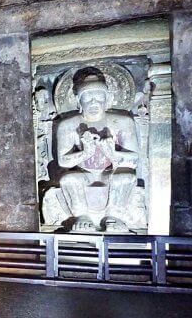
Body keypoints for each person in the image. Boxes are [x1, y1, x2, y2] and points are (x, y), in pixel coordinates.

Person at [55, 73, 139, 231]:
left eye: (99, 96)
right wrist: (85, 153)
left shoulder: (122, 122)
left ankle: (114, 216)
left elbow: (134, 158)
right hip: (84, 172)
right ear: (78, 101)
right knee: (70, 179)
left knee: (126, 177)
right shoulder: (67, 125)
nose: (94, 102)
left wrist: (114, 154)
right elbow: (63, 161)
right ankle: (82, 216)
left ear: (107, 99)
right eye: (88, 97)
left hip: (111, 171)